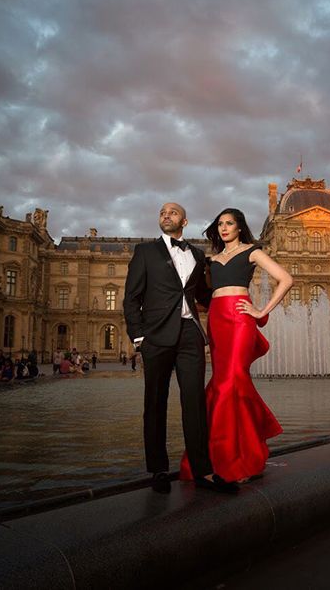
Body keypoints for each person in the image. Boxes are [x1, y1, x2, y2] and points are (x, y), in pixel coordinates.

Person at [124, 202, 236, 495]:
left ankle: (203, 470)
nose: (166, 215)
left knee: (195, 403)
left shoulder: (197, 255)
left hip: (190, 334)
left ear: (184, 221)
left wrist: (236, 298)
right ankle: (158, 469)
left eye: (172, 212)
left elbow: (204, 296)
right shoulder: (144, 252)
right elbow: (131, 298)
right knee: (156, 402)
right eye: (162, 212)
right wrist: (139, 338)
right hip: (156, 335)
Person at [177, 207, 293, 485]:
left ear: (240, 227)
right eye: (220, 224)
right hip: (217, 319)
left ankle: (238, 458)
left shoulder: (252, 251)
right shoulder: (212, 259)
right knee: (221, 382)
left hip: (241, 317)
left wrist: (261, 309)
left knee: (232, 381)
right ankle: (215, 457)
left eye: (229, 223)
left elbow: (286, 279)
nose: (224, 228)